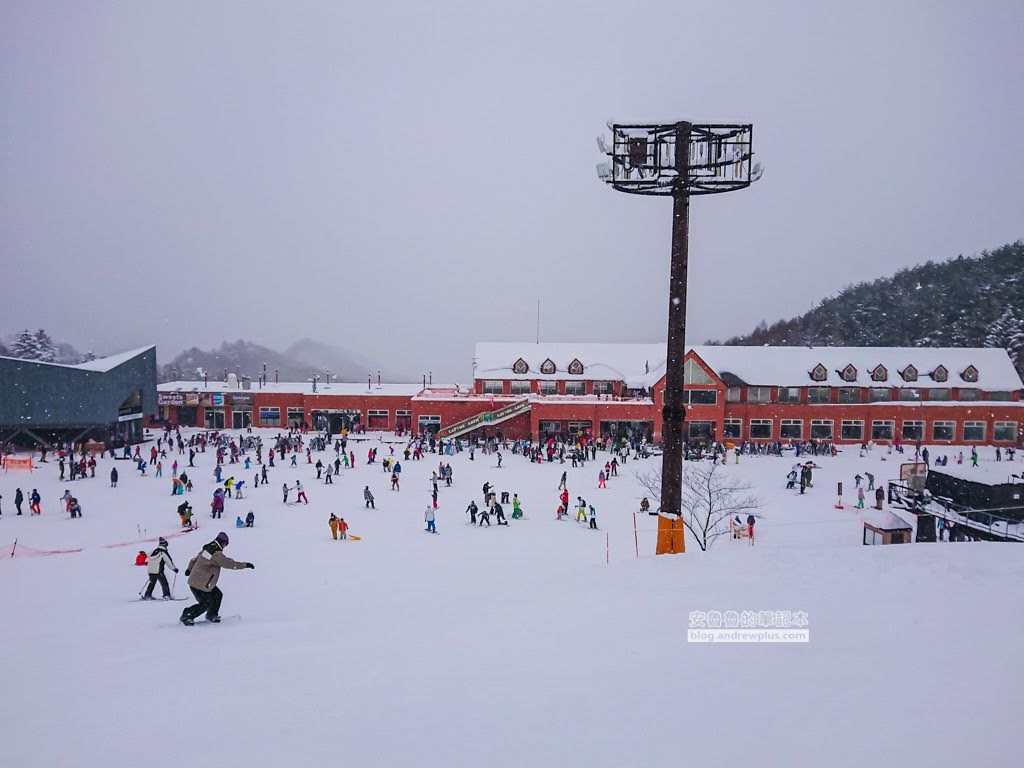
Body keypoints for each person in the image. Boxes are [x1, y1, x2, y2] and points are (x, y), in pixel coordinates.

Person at [180, 532, 253, 626]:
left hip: (201, 582)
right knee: (206, 603)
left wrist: (189, 569)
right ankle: (187, 615)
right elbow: (229, 563)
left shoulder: (207, 549)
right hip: (200, 584)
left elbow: (193, 560)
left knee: (217, 595)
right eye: (226, 544)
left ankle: (211, 615)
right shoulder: (215, 554)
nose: (225, 546)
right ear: (222, 542)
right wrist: (245, 565)